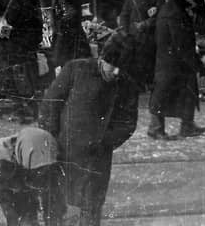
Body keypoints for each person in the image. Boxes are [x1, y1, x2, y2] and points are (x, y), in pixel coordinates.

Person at [39, 36, 139, 225]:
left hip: (97, 157)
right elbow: (50, 103)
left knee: (91, 204)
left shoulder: (126, 84)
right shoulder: (76, 69)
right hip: (63, 150)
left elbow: (127, 123)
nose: (117, 71)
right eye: (112, 65)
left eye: (122, 67)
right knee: (57, 202)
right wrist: (49, 137)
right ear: (102, 58)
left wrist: (104, 141)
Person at [148, 0, 205, 139]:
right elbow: (182, 44)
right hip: (173, 63)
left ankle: (184, 126)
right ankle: (157, 129)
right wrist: (196, 64)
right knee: (165, 94)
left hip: (169, 61)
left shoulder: (171, 9)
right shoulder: (175, 13)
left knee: (174, 93)